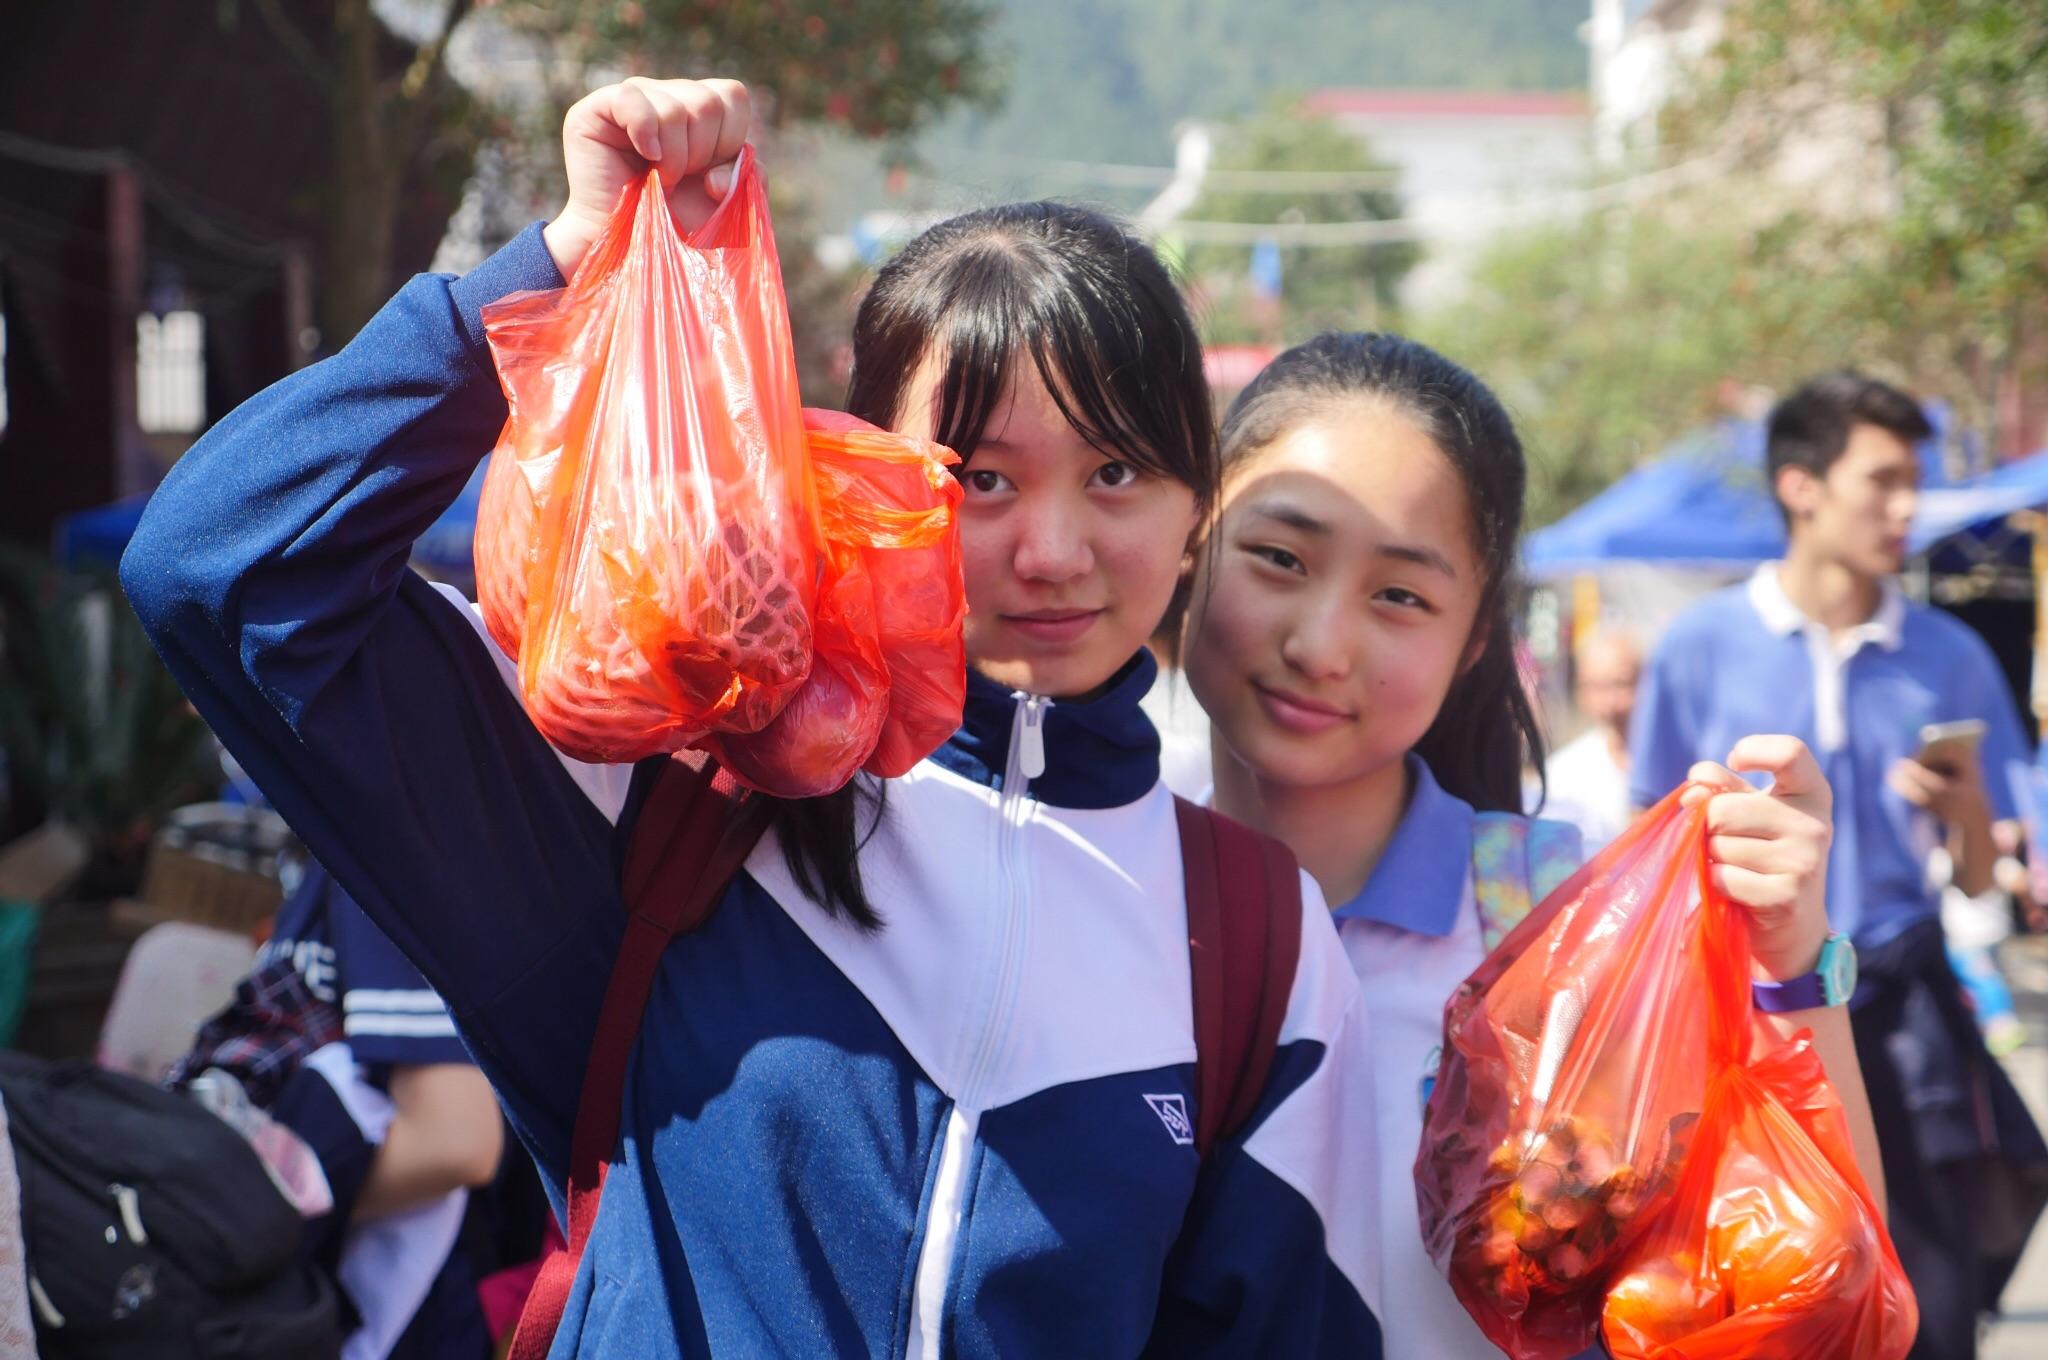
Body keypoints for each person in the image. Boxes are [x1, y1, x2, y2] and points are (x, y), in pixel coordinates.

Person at [121, 77, 1381, 1356]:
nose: (1052, 551)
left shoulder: (1259, 946)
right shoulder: (659, 791)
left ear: (1194, 507)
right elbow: (226, 571)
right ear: (849, 478)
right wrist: (565, 259)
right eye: (978, 477)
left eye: (1115, 471)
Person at [1167, 331, 1883, 1359]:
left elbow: (1823, 1291)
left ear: (1471, 640)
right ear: (1192, 541)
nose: (1319, 644)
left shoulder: (1574, 929)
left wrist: (1792, 966)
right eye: (1279, 557)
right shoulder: (1088, 877)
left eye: (1398, 595)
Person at [1630, 371, 2048, 1360]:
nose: (1907, 508)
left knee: (1931, 1300)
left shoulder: (1948, 653)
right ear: (1799, 486)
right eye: (1883, 481)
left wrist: (1969, 816)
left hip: (1902, 1008)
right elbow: (1647, 840)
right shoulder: (1697, 647)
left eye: (1914, 482)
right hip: (1747, 1016)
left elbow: (1985, 884)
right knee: (1769, 1295)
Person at [1540, 630, 1640, 851]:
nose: (1610, 704)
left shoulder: (1682, 763)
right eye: (1596, 687)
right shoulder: (1561, 776)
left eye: (1621, 684)